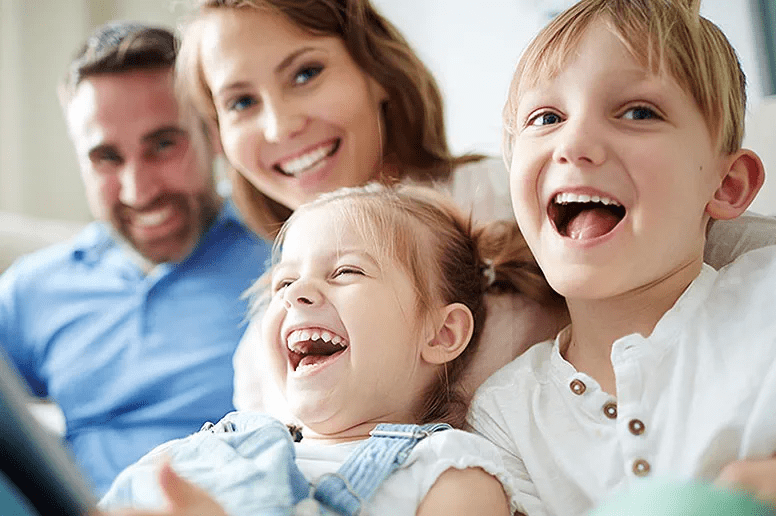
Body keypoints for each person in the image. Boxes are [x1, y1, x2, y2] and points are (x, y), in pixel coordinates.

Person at [176, 0, 776, 416]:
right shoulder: (271, 347)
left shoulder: (514, 189)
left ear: (374, 70)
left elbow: (709, 239)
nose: (282, 123)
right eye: (240, 102)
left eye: (306, 73)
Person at [468, 0, 776, 514]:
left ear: (726, 184)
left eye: (638, 112)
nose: (575, 143)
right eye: (546, 117)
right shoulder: (504, 414)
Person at [98, 183, 553, 515]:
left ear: (441, 334)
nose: (297, 294)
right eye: (285, 282)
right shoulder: (214, 449)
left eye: (346, 272)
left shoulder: (450, 473)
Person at [0, 22, 271, 495]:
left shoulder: (287, 256)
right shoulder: (35, 288)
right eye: (106, 157)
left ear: (213, 135)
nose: (138, 191)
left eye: (164, 144)